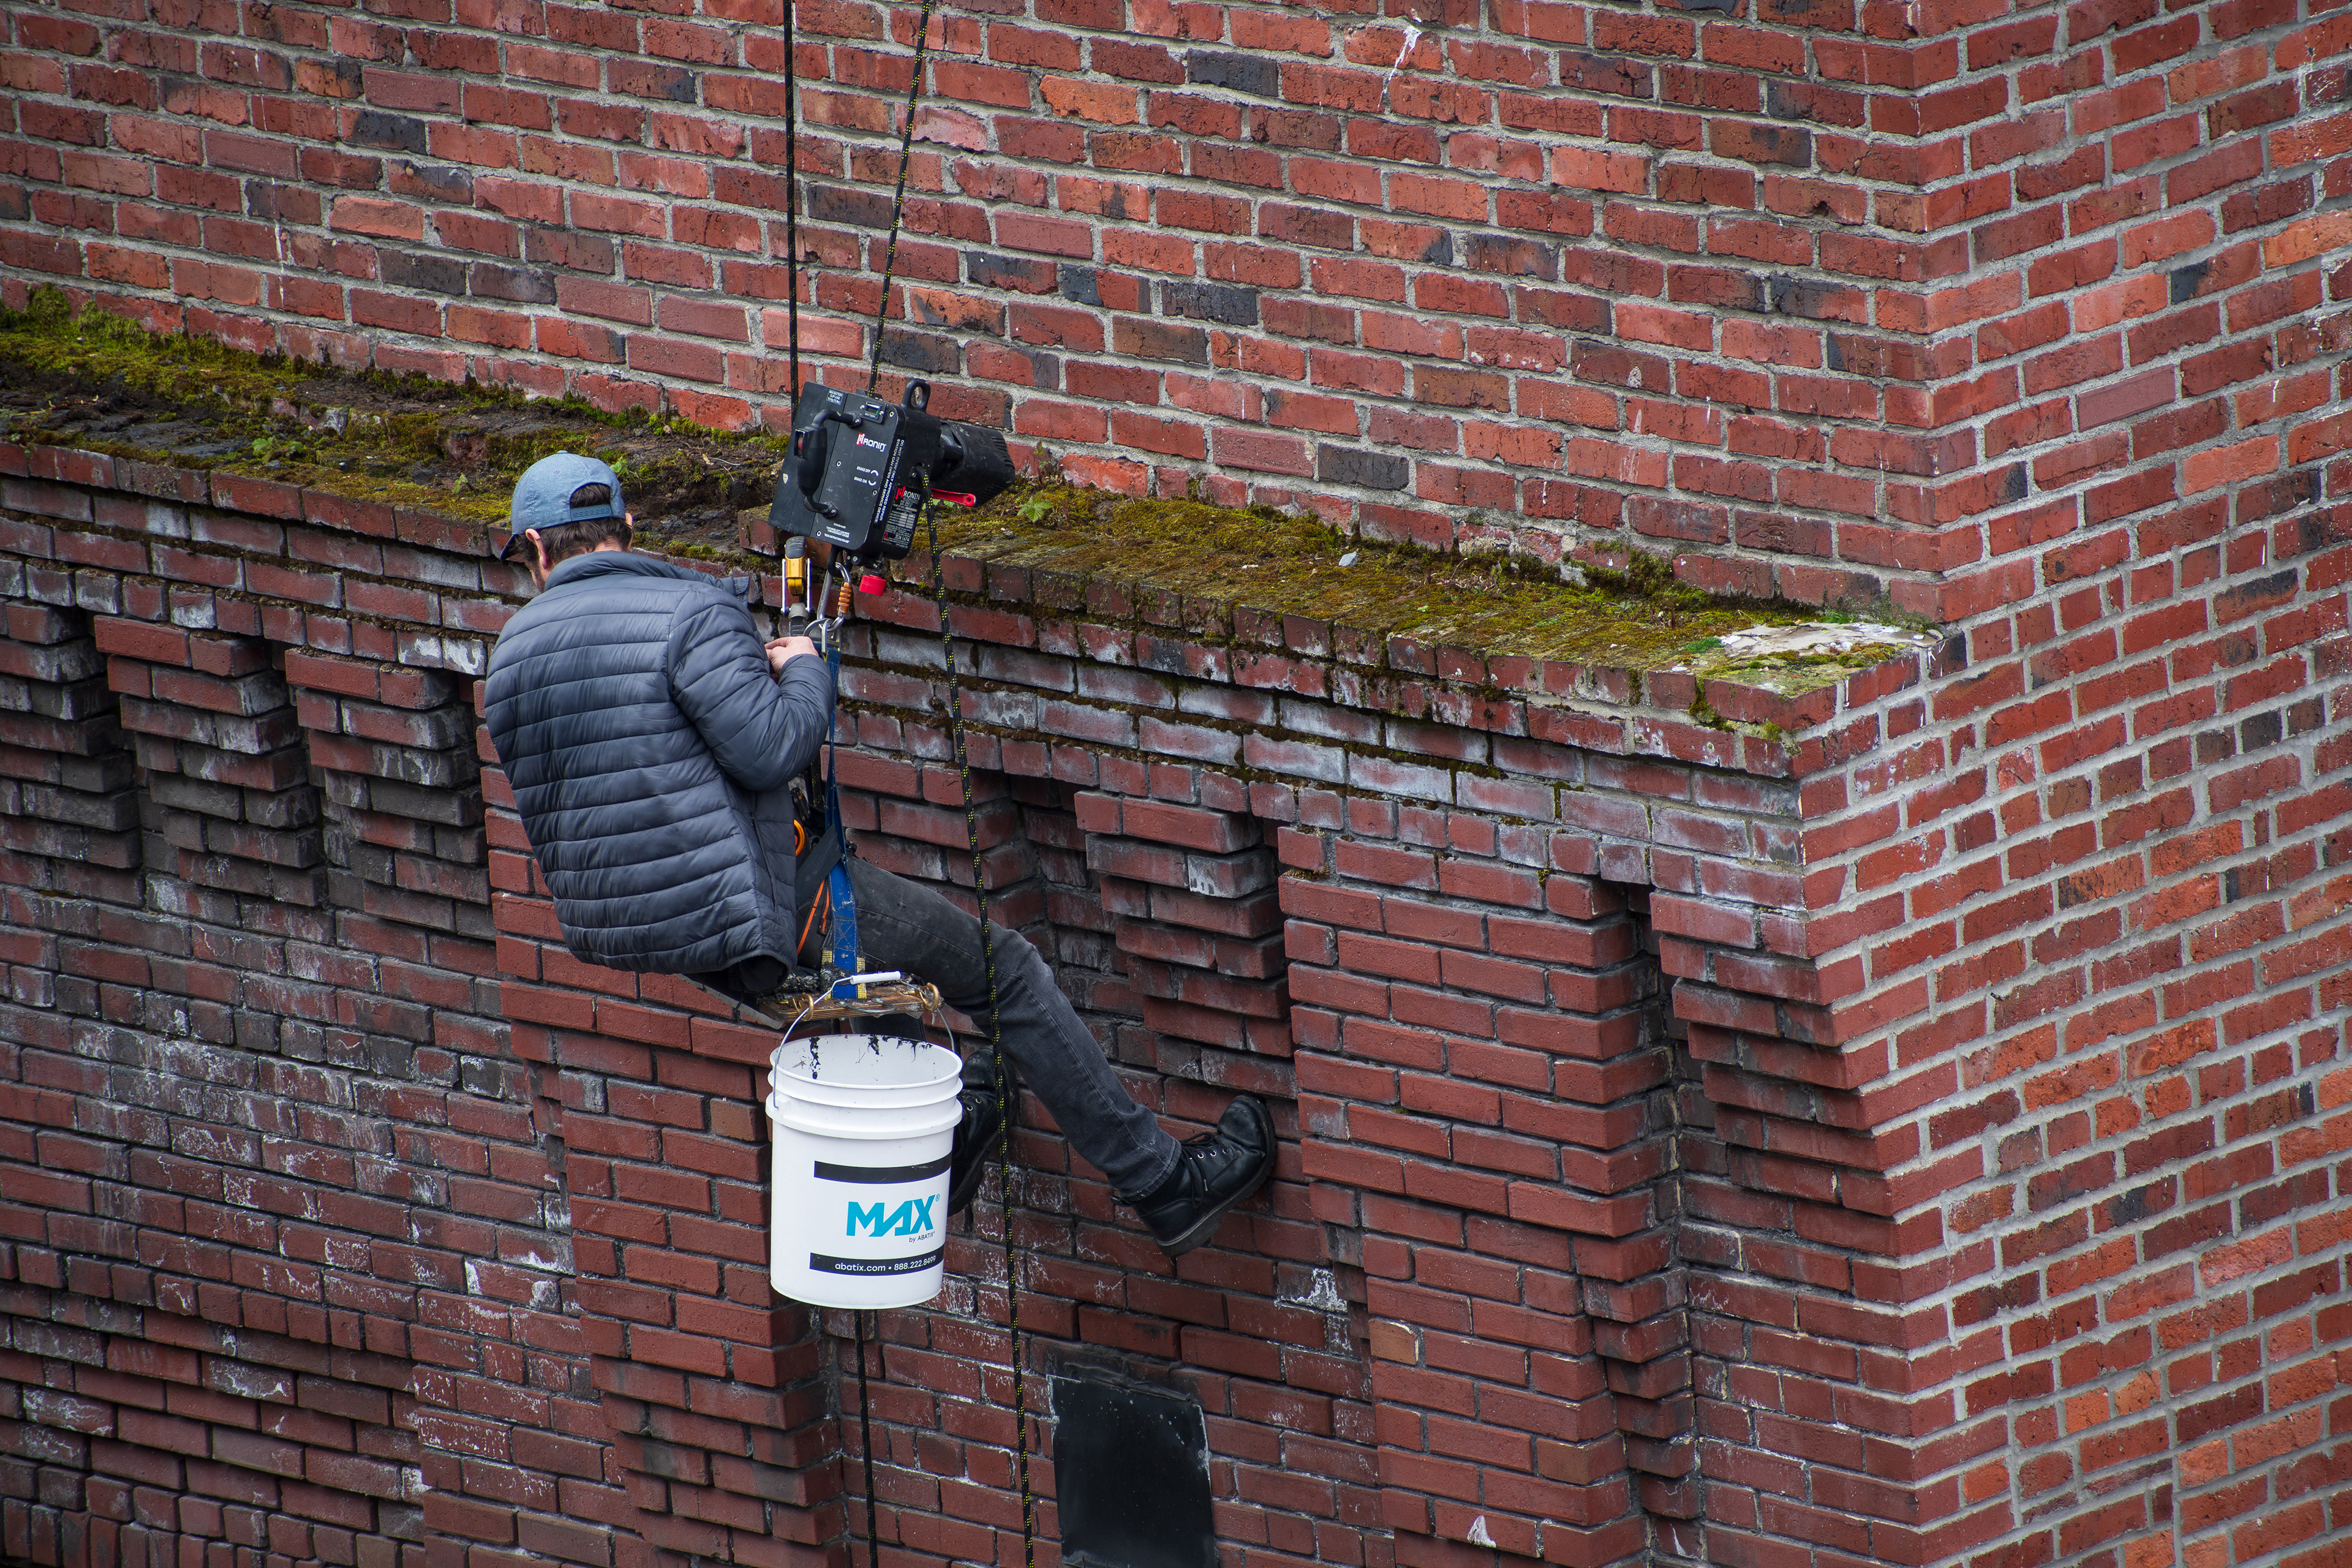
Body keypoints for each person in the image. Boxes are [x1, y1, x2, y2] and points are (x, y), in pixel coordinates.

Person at [481, 452, 1275, 1258]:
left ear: (535, 550)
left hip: (650, 933)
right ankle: (1164, 1184)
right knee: (1006, 974)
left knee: (882, 1004)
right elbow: (770, 751)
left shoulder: (509, 659)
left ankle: (951, 1139)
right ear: (627, 527)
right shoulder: (689, 612)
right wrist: (806, 673)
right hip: (771, 907)